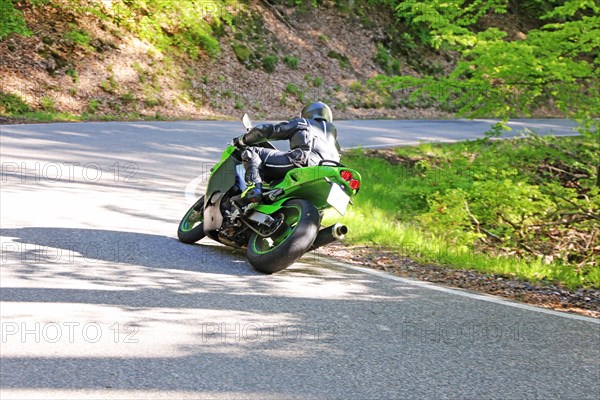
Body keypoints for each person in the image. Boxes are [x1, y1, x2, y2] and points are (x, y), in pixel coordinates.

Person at [232, 101, 341, 206]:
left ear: (308, 114)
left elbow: (267, 130)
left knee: (251, 152)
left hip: (302, 163)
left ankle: (253, 190)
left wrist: (243, 140)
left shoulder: (304, 123)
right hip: (329, 173)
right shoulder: (334, 142)